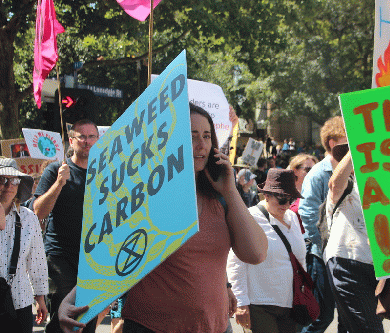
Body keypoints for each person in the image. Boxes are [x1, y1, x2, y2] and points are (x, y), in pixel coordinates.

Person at [56, 103, 268, 333]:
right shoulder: (142, 196)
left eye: (207, 136)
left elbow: (255, 254)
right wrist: (70, 301)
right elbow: (112, 253)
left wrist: (230, 190)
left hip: (216, 326)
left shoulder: (220, 198)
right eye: (191, 135)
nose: (201, 145)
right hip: (151, 327)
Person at [33, 119, 100, 333]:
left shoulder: (105, 172)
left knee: (87, 318)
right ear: (72, 141)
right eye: (82, 137)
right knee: (65, 317)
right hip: (60, 256)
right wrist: (59, 184)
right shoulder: (56, 170)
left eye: (92, 137)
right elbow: (38, 211)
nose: (87, 142)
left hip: (92, 258)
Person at [228, 168, 306, 333]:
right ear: (267, 195)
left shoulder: (292, 217)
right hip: (260, 305)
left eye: (291, 199)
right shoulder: (250, 218)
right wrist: (241, 303)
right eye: (282, 199)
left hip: (291, 304)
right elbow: (235, 263)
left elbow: (300, 258)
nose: (287, 205)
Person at [324, 142, 384, 332]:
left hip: (377, 269)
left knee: (349, 327)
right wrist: (358, 143)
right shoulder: (347, 187)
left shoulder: (386, 190)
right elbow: (334, 184)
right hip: (348, 265)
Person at [298, 116, 346, 333]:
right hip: (323, 257)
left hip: (348, 257)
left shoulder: (355, 172)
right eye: (348, 141)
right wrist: (327, 247)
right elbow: (308, 215)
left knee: (348, 315)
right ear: (333, 144)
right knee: (322, 316)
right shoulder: (318, 175)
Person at [0, 157, 48, 332]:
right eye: (2, 180)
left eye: (14, 180)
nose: (8, 185)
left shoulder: (28, 217)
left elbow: (37, 261)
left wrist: (40, 298)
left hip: (19, 300)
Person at [287, 154, 318, 233]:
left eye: (315, 169)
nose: (312, 173)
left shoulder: (318, 192)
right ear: (295, 171)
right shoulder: (284, 194)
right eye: (308, 169)